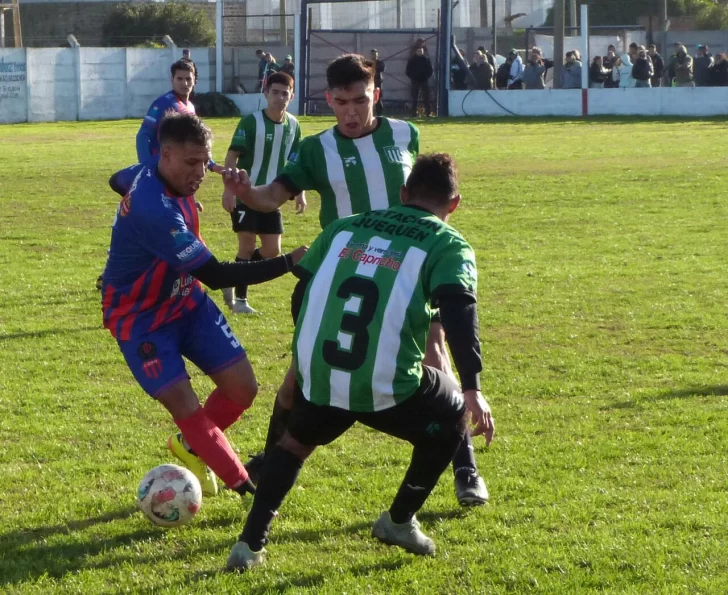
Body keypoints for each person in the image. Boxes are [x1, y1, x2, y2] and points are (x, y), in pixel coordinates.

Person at [223, 53, 490, 508]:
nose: (351, 111)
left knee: (436, 357)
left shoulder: (406, 135)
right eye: (341, 101)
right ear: (328, 99)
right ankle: (272, 459)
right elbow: (273, 196)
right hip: (339, 276)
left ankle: (465, 468)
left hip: (406, 277)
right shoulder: (315, 149)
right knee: (297, 376)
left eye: (360, 100)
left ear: (376, 96)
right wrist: (248, 192)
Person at [225, 153, 495, 571]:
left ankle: (249, 545)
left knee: (295, 444)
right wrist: (474, 387)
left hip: (324, 369)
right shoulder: (449, 243)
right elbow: (459, 315)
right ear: (454, 204)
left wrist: (307, 350)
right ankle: (399, 520)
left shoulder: (344, 227)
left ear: (403, 194)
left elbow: (302, 293)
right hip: (389, 385)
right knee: (453, 413)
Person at [102, 113, 307, 499]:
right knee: (184, 403)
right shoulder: (155, 212)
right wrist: (288, 262)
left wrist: (219, 169)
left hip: (185, 303)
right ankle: (244, 484)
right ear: (165, 155)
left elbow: (118, 178)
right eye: (191, 163)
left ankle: (189, 445)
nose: (200, 172)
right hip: (139, 319)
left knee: (242, 389)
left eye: (205, 161)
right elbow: (215, 275)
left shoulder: (147, 170)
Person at [221, 72, 305, 314]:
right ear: (265, 93)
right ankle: (241, 301)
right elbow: (232, 155)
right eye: (275, 92)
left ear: (292, 96)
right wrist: (229, 188)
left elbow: (295, 162)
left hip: (271, 198)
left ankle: (231, 276)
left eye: (285, 93)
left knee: (272, 251)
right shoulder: (251, 122)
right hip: (246, 195)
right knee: (246, 246)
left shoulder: (294, 126)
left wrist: (298, 191)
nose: (280, 98)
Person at [135, 59, 197, 163]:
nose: (184, 83)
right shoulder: (163, 103)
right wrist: (145, 165)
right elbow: (143, 136)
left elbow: (195, 140)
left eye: (188, 79)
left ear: (194, 80)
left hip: (183, 168)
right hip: (164, 168)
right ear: (172, 80)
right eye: (179, 79)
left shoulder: (191, 107)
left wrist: (212, 165)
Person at [406, 46, 434, 117]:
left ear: (423, 52)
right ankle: (414, 114)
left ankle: (428, 113)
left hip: (424, 80)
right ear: (416, 52)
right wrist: (413, 77)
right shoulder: (412, 60)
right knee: (414, 98)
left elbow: (430, 70)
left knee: (426, 97)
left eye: (421, 51)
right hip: (415, 81)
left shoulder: (426, 60)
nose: (420, 52)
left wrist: (426, 77)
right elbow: (408, 71)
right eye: (418, 51)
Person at [371, 49, 385, 116]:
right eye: (373, 54)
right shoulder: (369, 63)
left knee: (378, 99)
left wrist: (376, 65)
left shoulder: (380, 62)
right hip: (371, 82)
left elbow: (382, 69)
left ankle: (379, 113)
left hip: (378, 82)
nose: (374, 56)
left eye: (376, 54)